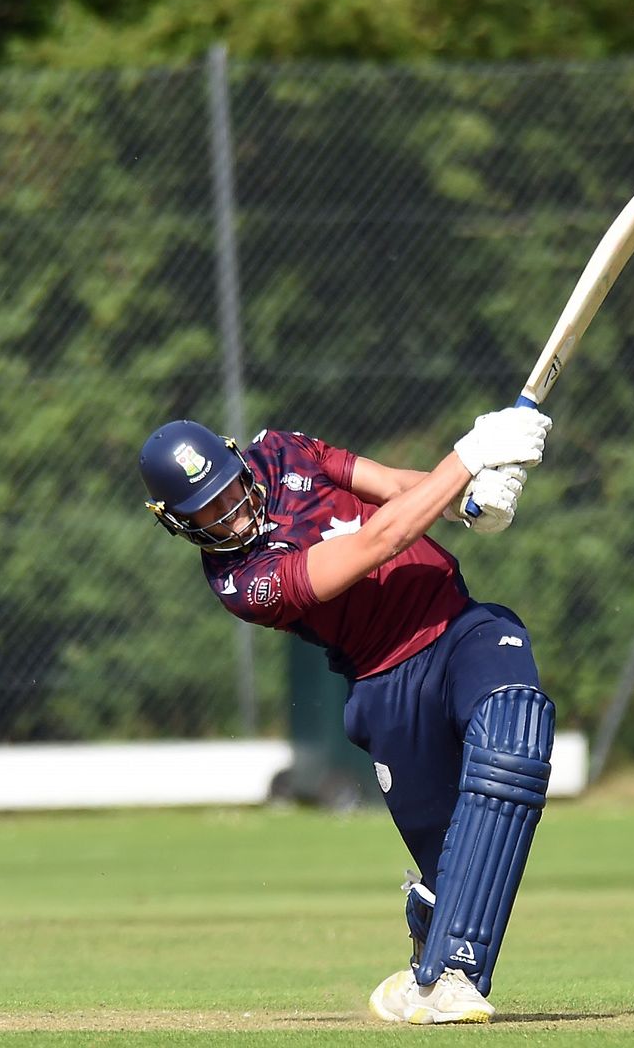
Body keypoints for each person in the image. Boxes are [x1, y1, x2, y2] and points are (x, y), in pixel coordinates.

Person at [139, 406, 555, 1024]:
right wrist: (469, 454)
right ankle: (433, 925)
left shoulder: (282, 452)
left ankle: (456, 977)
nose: (230, 511)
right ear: (179, 524)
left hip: (458, 624)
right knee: (453, 869)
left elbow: (391, 487)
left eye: (229, 487)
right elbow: (377, 541)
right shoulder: (242, 582)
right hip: (389, 684)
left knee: (514, 735)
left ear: (236, 459)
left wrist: (465, 498)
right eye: (208, 510)